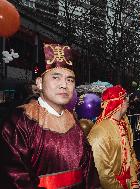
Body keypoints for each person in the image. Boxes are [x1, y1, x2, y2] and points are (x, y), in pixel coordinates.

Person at [0, 44, 101, 188]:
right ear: (39, 83)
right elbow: (14, 179)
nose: (64, 85)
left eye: (70, 80)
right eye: (56, 77)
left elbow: (90, 175)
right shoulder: (20, 122)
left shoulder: (74, 124)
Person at [88, 85, 140, 189]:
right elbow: (103, 174)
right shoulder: (100, 132)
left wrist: (134, 183)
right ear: (119, 103)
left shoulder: (123, 123)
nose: (128, 102)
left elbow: (129, 155)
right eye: (125, 98)